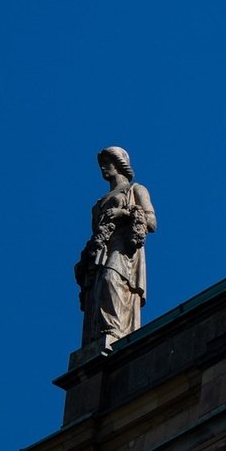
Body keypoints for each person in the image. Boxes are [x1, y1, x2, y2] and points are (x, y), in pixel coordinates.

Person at [76, 147, 156, 352]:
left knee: (111, 279)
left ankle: (115, 331)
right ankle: (99, 337)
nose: (103, 167)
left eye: (108, 162)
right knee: (97, 292)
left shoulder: (136, 189)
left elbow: (151, 222)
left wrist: (122, 212)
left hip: (124, 245)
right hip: (101, 250)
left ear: (120, 163)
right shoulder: (97, 204)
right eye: (101, 164)